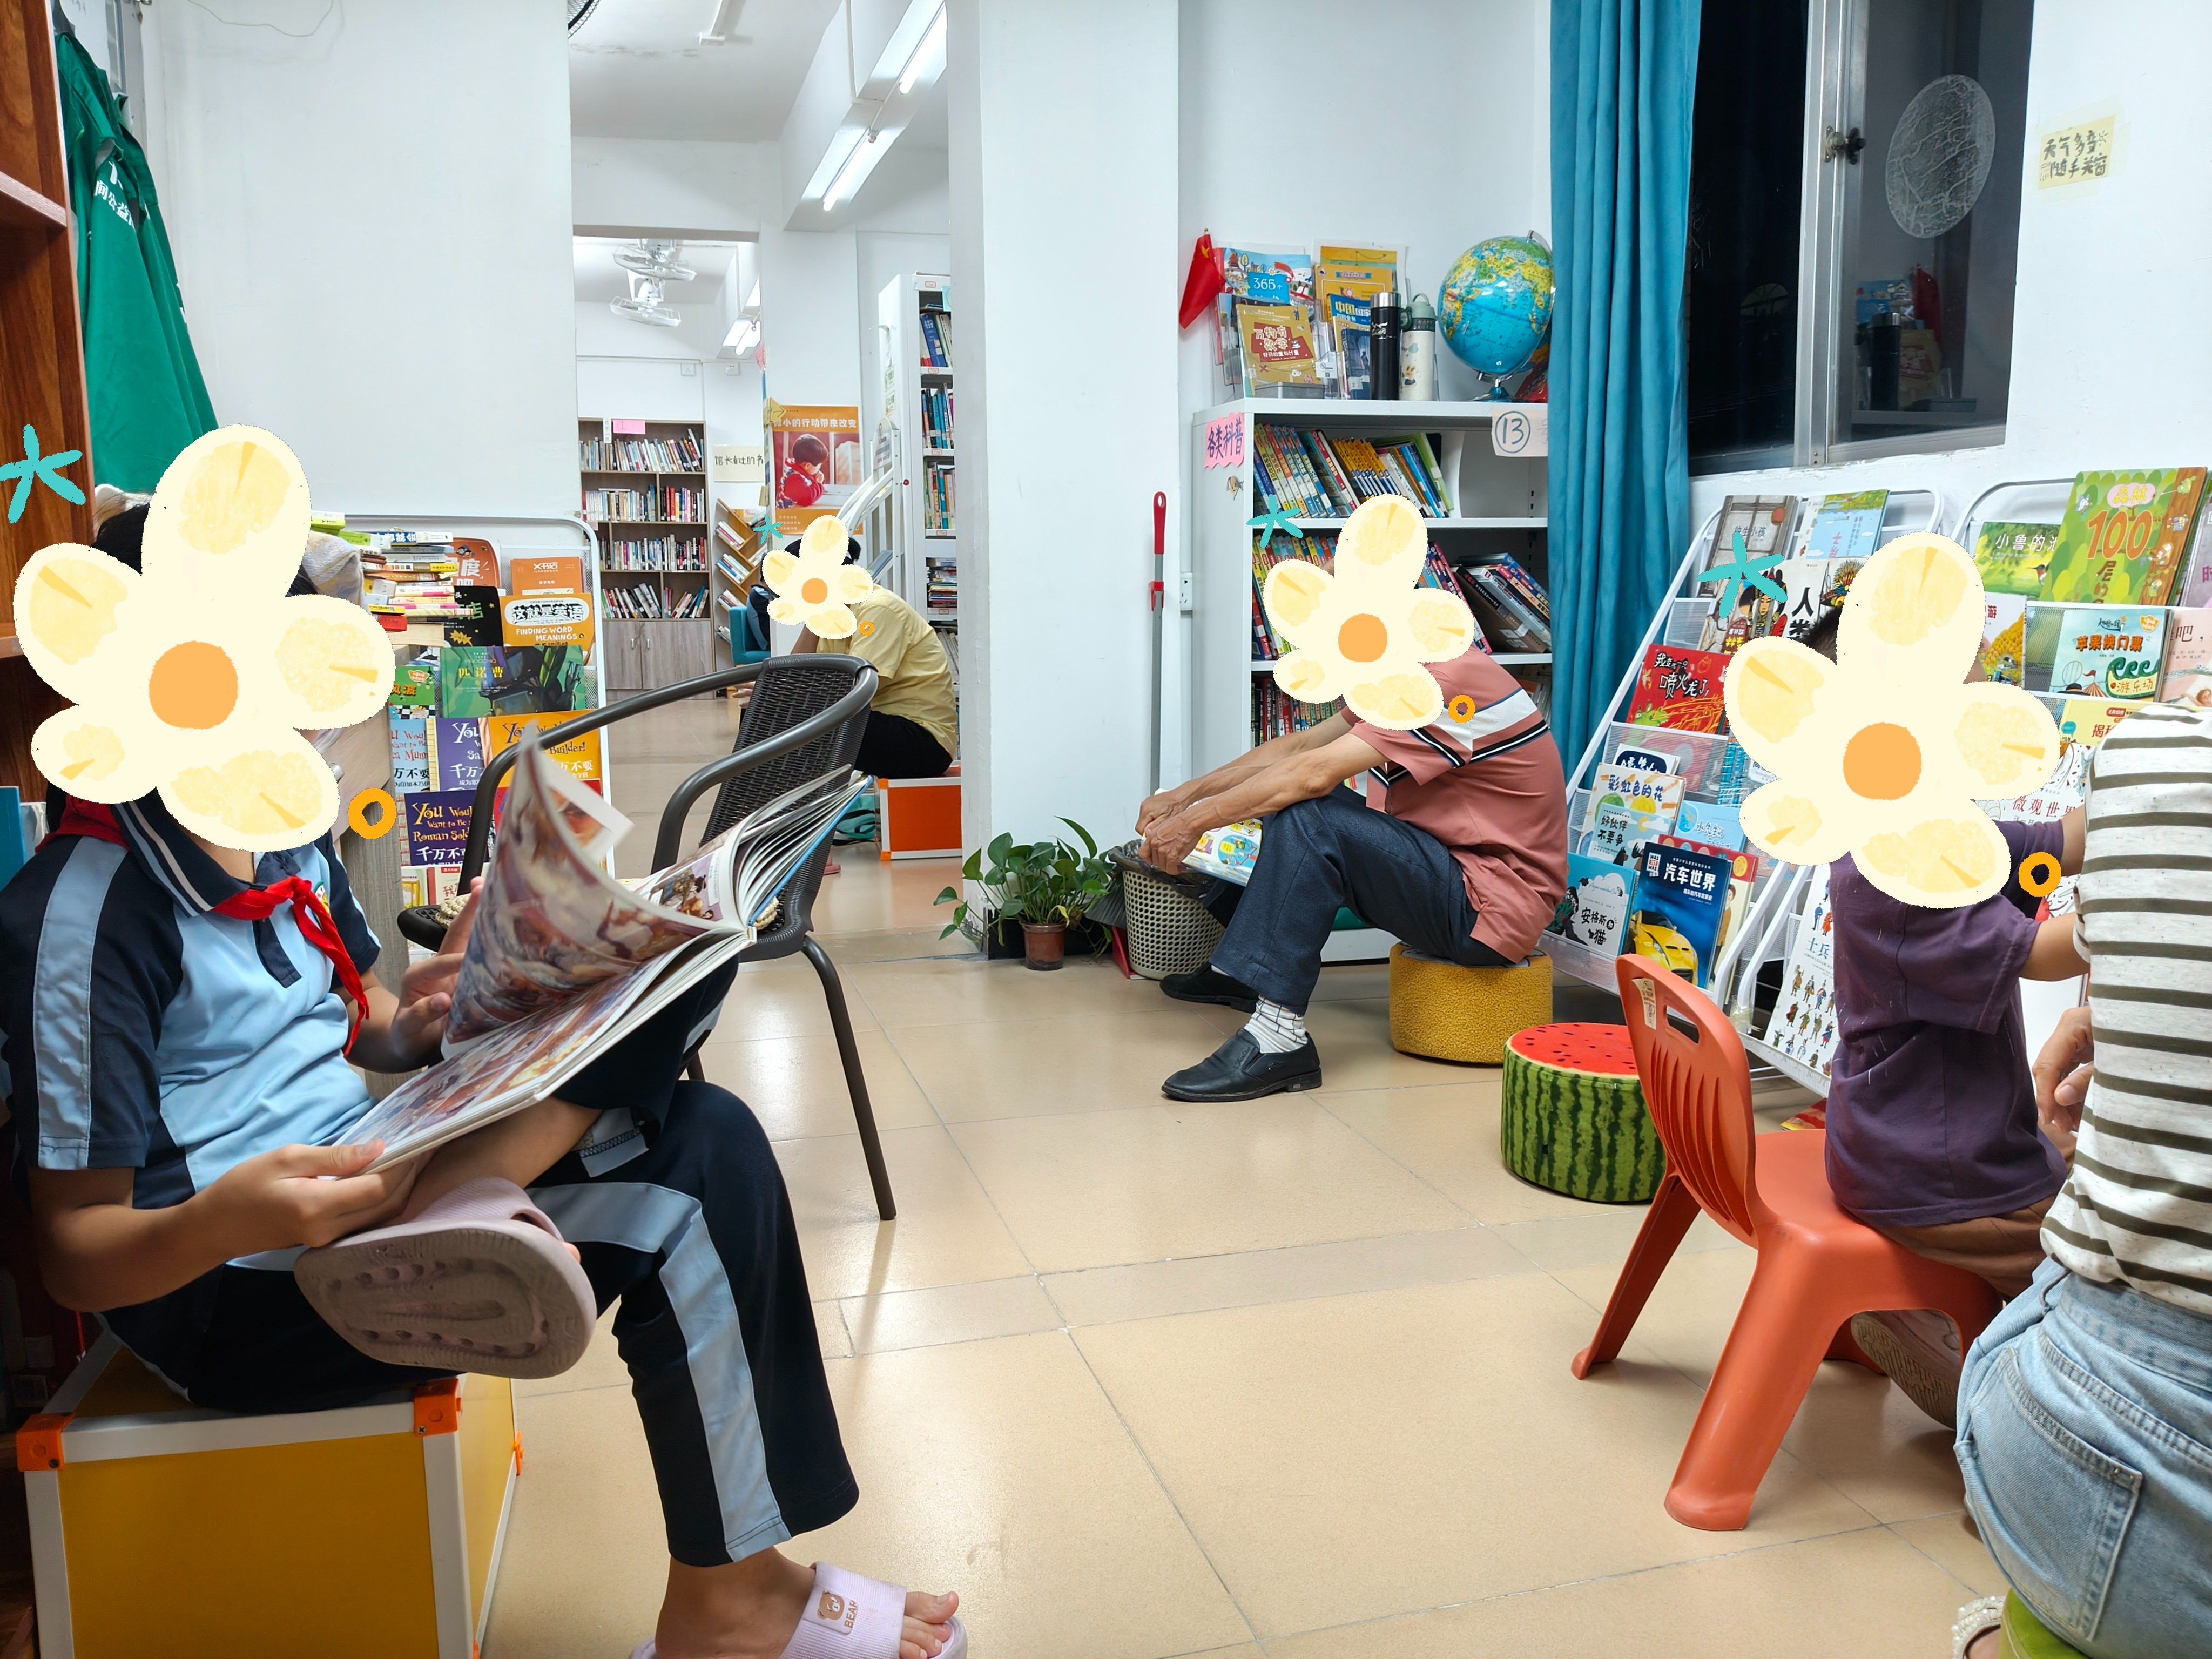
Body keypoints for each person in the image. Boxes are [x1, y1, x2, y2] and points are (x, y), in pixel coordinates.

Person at [0, 514, 963, 1659]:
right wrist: (232, 1219)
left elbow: (355, 1012)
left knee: (706, 1114)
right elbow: (77, 1253)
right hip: (236, 1292)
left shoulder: (273, 821)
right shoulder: (85, 914)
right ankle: (730, 1603)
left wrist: (423, 1020)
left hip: (354, 1173)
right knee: (677, 1138)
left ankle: (730, 1594)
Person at [1949, 694, 2212, 1659]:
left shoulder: (2151, 752)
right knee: (2031, 1199)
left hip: (2080, 1425)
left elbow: (2045, 908)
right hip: (1943, 1166)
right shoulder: (1923, 869)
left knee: (2062, 1210)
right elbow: (2029, 939)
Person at [1791, 606, 2085, 1425]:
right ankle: (2005, 1415)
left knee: (2076, 1169)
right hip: (1943, 1173)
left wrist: (2150, 793)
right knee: (2101, 1253)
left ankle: (1909, 1319)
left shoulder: (1921, 823)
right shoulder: (1898, 866)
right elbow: (2044, 953)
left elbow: (2060, 840)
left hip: (1899, 1142)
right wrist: (2153, 899)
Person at [1136, 642, 1566, 1102]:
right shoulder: (1403, 669)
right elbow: (1300, 748)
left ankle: (1279, 1038)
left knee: (1307, 814)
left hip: (1488, 908)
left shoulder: (1444, 684)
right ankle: (1242, 975)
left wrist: (1191, 824)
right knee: (1273, 798)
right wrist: (1187, 796)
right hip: (1455, 871)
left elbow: (1312, 773)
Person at [788, 534, 957, 781]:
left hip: (922, 739)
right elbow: (795, 674)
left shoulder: (877, 608)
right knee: (765, 709)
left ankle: (778, 798)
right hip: (879, 723)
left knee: (793, 715)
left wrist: (788, 695)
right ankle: (767, 797)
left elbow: (856, 692)